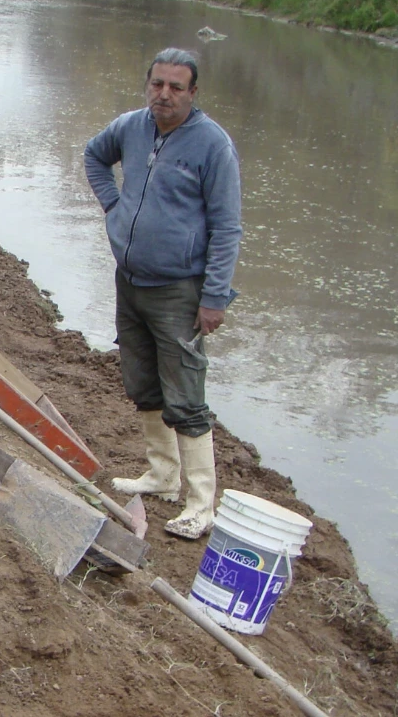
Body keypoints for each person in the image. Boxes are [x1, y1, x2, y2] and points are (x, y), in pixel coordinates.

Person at [83, 47, 242, 540]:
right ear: (147, 84)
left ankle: (200, 504)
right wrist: (114, 205)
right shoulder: (131, 127)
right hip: (129, 280)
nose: (164, 95)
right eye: (157, 84)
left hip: (180, 290)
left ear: (193, 93)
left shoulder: (213, 146)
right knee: (142, 383)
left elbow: (227, 226)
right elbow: (93, 155)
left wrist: (214, 297)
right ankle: (162, 474)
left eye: (176, 87)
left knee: (186, 396)